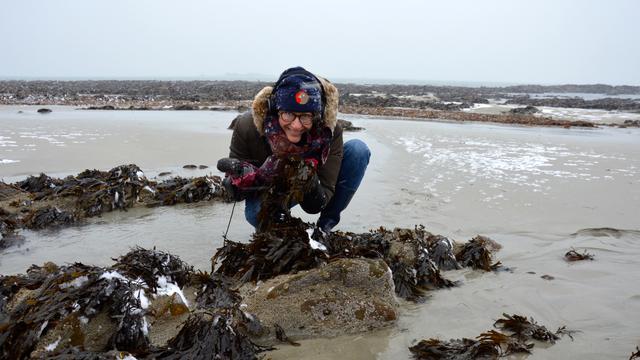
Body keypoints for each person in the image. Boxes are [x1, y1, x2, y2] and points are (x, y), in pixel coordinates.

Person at [217, 66, 370, 235]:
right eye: (288, 114)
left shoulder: (330, 133)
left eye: (305, 116)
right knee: (256, 213)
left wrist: (309, 180)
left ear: (317, 116)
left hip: (313, 184)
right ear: (275, 110)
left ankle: (324, 228)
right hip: (269, 188)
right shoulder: (248, 126)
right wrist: (242, 177)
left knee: (358, 150)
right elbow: (236, 194)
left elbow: (318, 204)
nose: (296, 125)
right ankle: (274, 229)